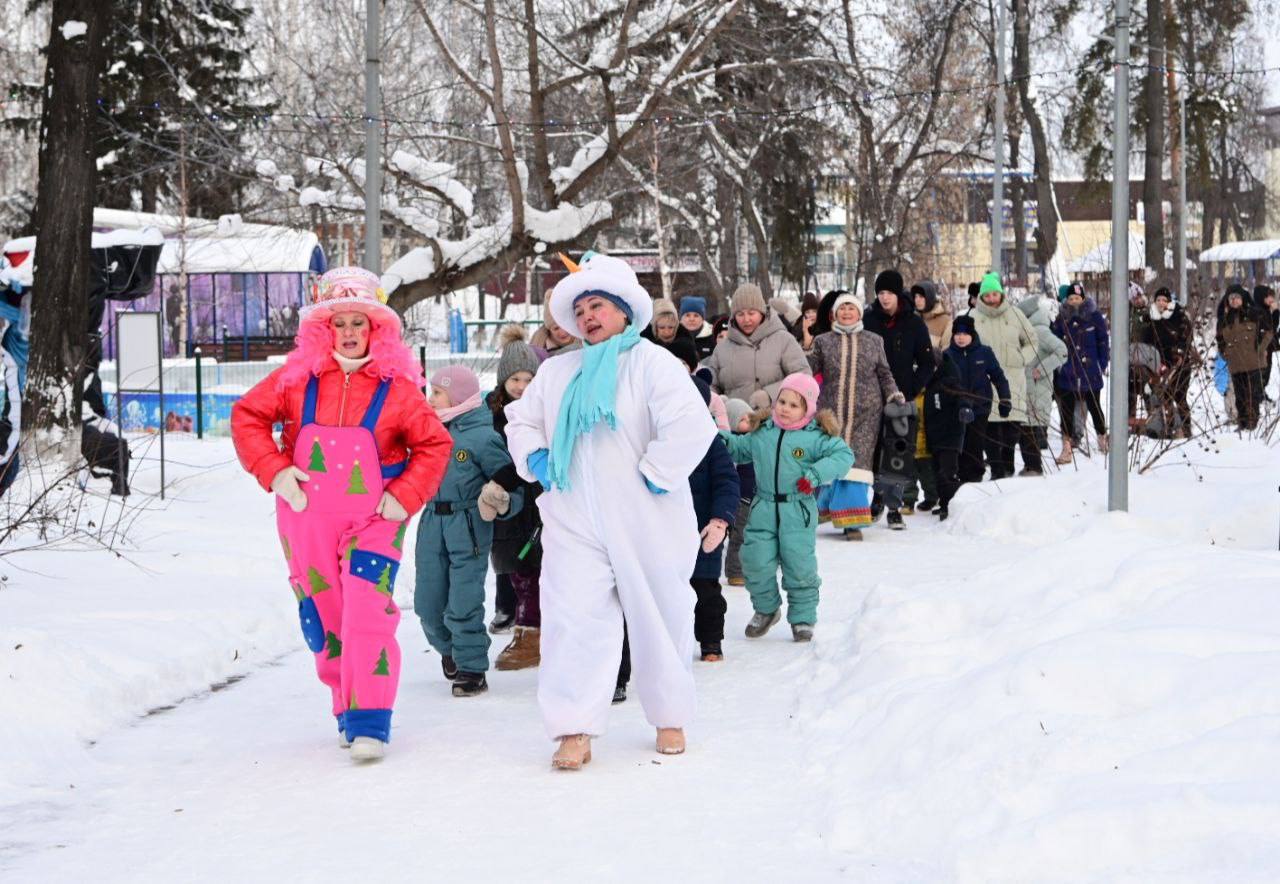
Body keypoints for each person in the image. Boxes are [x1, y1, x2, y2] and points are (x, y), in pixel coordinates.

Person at [503, 252, 717, 770]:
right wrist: (534, 457)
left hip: (647, 516)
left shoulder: (652, 363)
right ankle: (574, 727)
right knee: (573, 619)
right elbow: (521, 420)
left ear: (624, 310)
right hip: (573, 516)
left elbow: (691, 426)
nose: (587, 317)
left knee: (661, 611)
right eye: (579, 311)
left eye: (597, 305)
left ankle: (669, 715)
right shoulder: (557, 371)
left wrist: (654, 475)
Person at [230, 266, 452, 762]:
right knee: (324, 616)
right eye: (340, 323)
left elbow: (433, 445)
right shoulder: (295, 379)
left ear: (377, 329)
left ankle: (371, 718)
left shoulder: (397, 389)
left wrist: (403, 498)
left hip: (375, 521)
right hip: (305, 518)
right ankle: (344, 707)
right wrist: (277, 472)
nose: (350, 333)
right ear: (323, 329)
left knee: (368, 612)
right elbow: (247, 417)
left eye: (359, 322)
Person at [416, 365, 524, 697]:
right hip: (432, 522)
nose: (431, 398)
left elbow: (513, 482)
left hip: (468, 526)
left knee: (463, 600)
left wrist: (501, 499)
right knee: (427, 604)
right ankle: (450, 649)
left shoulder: (482, 437)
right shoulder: (427, 431)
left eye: (437, 392)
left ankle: (472, 667)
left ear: (458, 395)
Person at [720, 373, 853, 639]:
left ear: (808, 408)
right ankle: (766, 609)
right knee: (754, 561)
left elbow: (843, 455)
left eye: (794, 405)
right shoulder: (764, 432)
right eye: (782, 401)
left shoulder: (815, 437)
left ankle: (803, 618)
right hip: (763, 507)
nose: (785, 409)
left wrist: (815, 475)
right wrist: (719, 439)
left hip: (797, 511)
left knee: (799, 566)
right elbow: (739, 448)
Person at [806, 292, 902, 540]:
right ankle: (827, 510)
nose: (847, 313)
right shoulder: (822, 341)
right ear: (833, 314)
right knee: (833, 460)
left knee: (857, 465)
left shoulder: (874, 341)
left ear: (859, 313)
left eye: (851, 308)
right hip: (831, 414)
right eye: (842, 309)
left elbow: (884, 374)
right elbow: (808, 371)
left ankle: (853, 522)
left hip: (866, 414)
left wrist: (893, 395)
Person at [487, 325, 546, 670]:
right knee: (514, 570)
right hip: (506, 507)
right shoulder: (491, 415)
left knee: (532, 574)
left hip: (536, 504)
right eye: (515, 381)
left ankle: (532, 635)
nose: (522, 388)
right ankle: (526, 629)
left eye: (528, 380)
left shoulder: (541, 411)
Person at [861, 270, 934, 524]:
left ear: (898, 294)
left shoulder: (913, 322)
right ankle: (877, 498)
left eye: (889, 293)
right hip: (871, 397)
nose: (884, 298)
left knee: (898, 452)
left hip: (901, 397)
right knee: (872, 450)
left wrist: (912, 389)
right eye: (880, 293)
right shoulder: (869, 320)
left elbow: (927, 362)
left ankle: (894, 507)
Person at [970, 273, 1041, 479]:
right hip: (985, 381)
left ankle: (1006, 466)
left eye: (995, 294)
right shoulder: (974, 318)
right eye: (987, 295)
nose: (992, 299)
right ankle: (998, 471)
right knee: (990, 428)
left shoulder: (1016, 314)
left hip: (1013, 379)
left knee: (1012, 427)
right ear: (981, 297)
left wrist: (1022, 357)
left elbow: (1032, 341)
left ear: (1001, 294)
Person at [703, 283, 811, 405]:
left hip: (776, 419)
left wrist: (771, 395)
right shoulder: (722, 349)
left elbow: (803, 376)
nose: (746, 319)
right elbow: (710, 384)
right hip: (734, 420)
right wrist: (717, 401)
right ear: (733, 317)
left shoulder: (783, 340)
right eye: (740, 314)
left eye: (751, 313)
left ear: (762, 312)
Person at [946, 315, 1012, 484]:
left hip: (980, 407)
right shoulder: (947, 355)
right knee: (959, 443)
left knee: (974, 442)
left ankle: (975, 476)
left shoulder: (984, 352)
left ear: (972, 334)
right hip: (955, 408)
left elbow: (998, 376)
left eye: (965, 333)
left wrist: (1005, 399)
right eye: (958, 334)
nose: (961, 337)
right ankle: (959, 476)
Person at [1052, 284, 1110, 463]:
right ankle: (1067, 446)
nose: (1074, 302)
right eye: (1071, 299)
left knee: (1094, 406)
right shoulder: (1062, 318)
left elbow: (1103, 341)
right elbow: (1054, 340)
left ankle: (1102, 437)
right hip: (1068, 371)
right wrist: (1060, 365)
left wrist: (1101, 364)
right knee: (1067, 410)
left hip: (1090, 371)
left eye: (1077, 298)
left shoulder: (1095, 317)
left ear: (1083, 299)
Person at [908, 280, 952, 508]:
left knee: (930, 442)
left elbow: (947, 353)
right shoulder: (910, 319)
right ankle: (912, 494)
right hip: (910, 384)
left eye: (922, 296)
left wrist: (930, 361)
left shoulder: (944, 321)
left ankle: (934, 492)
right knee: (910, 440)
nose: (917, 301)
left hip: (933, 384)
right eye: (915, 297)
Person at [1016, 295, 1068, 467]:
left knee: (1029, 433)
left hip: (1037, 389)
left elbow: (1062, 351)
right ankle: (1031, 469)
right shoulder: (1028, 332)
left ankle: (1034, 470)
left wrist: (1043, 368)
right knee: (1026, 432)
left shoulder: (1040, 331)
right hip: (1028, 389)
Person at [1216, 285, 1274, 431]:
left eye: (1237, 297)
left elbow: (1269, 332)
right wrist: (1225, 353)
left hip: (1254, 364)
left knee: (1253, 397)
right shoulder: (1224, 319)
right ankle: (1243, 426)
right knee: (1240, 399)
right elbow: (1220, 339)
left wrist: (1260, 350)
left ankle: (1252, 427)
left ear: (1243, 298)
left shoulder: (1254, 313)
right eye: (1231, 298)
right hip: (1235, 366)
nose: (1234, 300)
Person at [1142, 286, 1195, 437]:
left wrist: (1179, 353)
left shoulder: (1179, 317)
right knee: (1164, 398)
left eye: (1164, 300)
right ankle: (1170, 428)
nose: (1160, 303)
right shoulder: (1151, 320)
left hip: (1180, 364)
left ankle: (1186, 428)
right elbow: (1146, 342)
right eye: (1158, 300)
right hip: (1160, 365)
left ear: (1169, 302)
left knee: (1179, 397)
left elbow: (1186, 338)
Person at [921, 345, 965, 519]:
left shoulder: (948, 381)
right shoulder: (928, 385)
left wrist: (964, 408)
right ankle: (944, 503)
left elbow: (962, 396)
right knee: (936, 471)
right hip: (935, 436)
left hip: (950, 436)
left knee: (947, 472)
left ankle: (951, 506)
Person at [721, 397, 756, 586]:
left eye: (749, 417)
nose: (748, 421)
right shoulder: (732, 444)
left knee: (752, 536)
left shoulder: (753, 441)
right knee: (739, 536)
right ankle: (735, 572)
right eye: (742, 420)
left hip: (754, 497)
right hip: (740, 499)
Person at [530, 290, 582, 356]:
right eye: (556, 328)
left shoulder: (584, 339)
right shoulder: (538, 342)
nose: (562, 332)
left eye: (564, 326)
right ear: (549, 329)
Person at [1253, 284, 1279, 397]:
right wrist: (1276, 312)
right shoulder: (1258, 312)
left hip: (1267, 348)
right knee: (1262, 374)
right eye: (1269, 296)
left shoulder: (1265, 310)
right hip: (1261, 349)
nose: (1272, 299)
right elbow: (1268, 330)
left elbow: (1271, 330)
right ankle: (1258, 395)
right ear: (1262, 297)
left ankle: (1261, 393)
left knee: (1266, 374)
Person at [678, 295, 718, 361]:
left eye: (696, 315)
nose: (691, 319)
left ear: (703, 319)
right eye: (687, 315)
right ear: (681, 318)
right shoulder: (673, 336)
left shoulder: (713, 337)